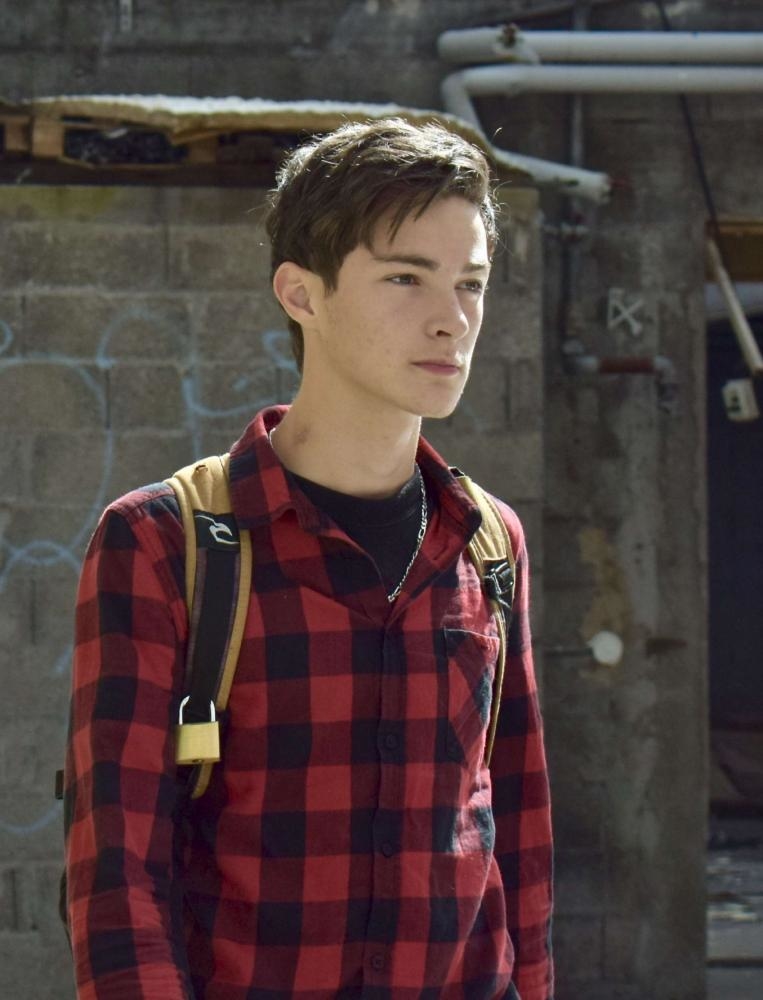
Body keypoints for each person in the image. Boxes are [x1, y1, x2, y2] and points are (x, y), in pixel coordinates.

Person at [64, 117, 554, 999]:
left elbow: (516, 834)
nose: (451, 319)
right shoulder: (166, 540)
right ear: (301, 293)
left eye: (470, 284)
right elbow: (117, 875)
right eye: (404, 277)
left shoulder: (488, 541)